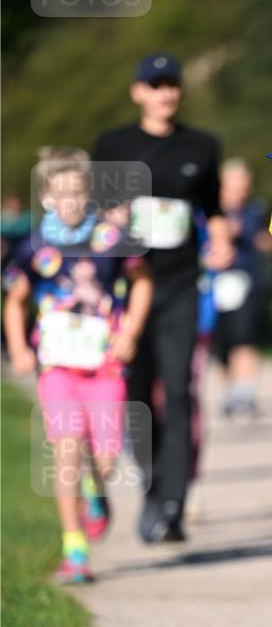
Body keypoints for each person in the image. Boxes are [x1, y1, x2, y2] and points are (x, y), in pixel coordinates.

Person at [93, 53, 233, 542]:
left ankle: (173, 503)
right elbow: (94, 215)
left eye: (171, 84)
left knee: (179, 392)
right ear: (137, 92)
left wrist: (221, 240)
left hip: (179, 286)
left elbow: (213, 208)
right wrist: (112, 219)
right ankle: (153, 489)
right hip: (128, 290)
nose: (165, 92)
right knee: (137, 397)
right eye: (155, 85)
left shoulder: (202, 145)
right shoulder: (113, 145)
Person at [3, 148, 152, 582]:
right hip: (58, 367)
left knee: (104, 458)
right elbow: (15, 301)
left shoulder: (110, 238)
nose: (69, 201)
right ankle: (75, 550)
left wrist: (131, 332)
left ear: (89, 193)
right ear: (47, 196)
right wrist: (17, 347)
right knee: (66, 450)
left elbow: (142, 283)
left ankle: (96, 487)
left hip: (104, 366)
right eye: (60, 193)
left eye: (77, 191)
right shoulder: (34, 245)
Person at [212, 158, 272, 420]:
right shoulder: (211, 211)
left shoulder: (256, 210)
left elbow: (268, 242)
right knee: (221, 345)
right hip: (215, 285)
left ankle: (245, 395)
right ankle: (229, 393)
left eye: (244, 182)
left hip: (247, 282)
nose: (241, 188)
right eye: (235, 182)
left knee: (245, 339)